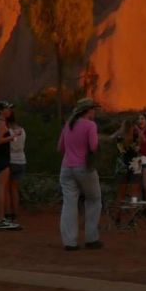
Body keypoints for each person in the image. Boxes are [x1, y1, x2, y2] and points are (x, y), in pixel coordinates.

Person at [58, 98, 102, 251]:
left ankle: (70, 242)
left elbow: (60, 148)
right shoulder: (90, 125)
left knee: (69, 203)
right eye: (93, 109)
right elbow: (94, 147)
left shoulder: (68, 124)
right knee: (94, 199)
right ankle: (91, 238)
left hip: (66, 168)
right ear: (88, 110)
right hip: (84, 167)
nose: (95, 112)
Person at [112, 118, 142, 206]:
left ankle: (118, 213)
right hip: (136, 162)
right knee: (134, 191)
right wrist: (138, 130)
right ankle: (133, 214)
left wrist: (119, 131)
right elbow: (140, 146)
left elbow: (111, 138)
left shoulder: (119, 138)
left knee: (121, 192)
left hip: (123, 163)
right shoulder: (136, 137)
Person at [7, 110, 26, 223]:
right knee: (15, 189)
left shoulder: (8, 131)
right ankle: (16, 214)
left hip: (10, 160)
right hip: (21, 161)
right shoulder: (23, 130)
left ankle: (8, 214)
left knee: (7, 189)